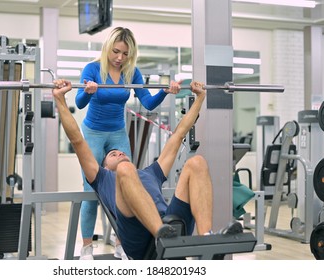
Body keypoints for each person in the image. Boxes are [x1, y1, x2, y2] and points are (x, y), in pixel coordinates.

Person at [52, 79, 243, 260]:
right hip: (137, 237)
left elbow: (178, 136)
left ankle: (205, 239)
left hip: (170, 224)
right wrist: (60, 99)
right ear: (104, 166)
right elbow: (77, 139)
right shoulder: (101, 178)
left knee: (197, 162)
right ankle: (161, 235)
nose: (119, 154)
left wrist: (200, 98)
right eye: (112, 155)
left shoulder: (151, 172)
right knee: (126, 169)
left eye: (120, 153)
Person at [75, 27, 182, 260]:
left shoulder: (132, 72)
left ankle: (121, 245)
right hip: (93, 132)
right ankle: (86, 248)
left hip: (117, 131)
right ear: (107, 48)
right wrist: (89, 92)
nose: (119, 58)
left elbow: (149, 103)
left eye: (125, 54)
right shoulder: (93, 69)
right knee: (89, 191)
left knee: (127, 184)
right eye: (116, 52)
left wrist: (164, 92)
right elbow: (79, 102)